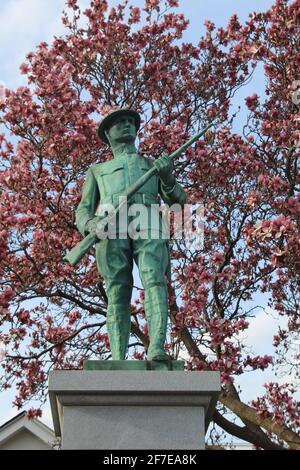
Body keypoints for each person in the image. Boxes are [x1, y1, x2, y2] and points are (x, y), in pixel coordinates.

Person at [75, 109, 186, 361]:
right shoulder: (97, 171)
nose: (127, 125)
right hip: (110, 224)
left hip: (148, 219)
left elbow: (179, 202)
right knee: (117, 289)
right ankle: (117, 357)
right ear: (107, 133)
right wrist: (89, 224)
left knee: (154, 279)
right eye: (120, 122)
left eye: (130, 122)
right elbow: (82, 209)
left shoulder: (153, 164)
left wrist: (167, 177)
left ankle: (156, 347)